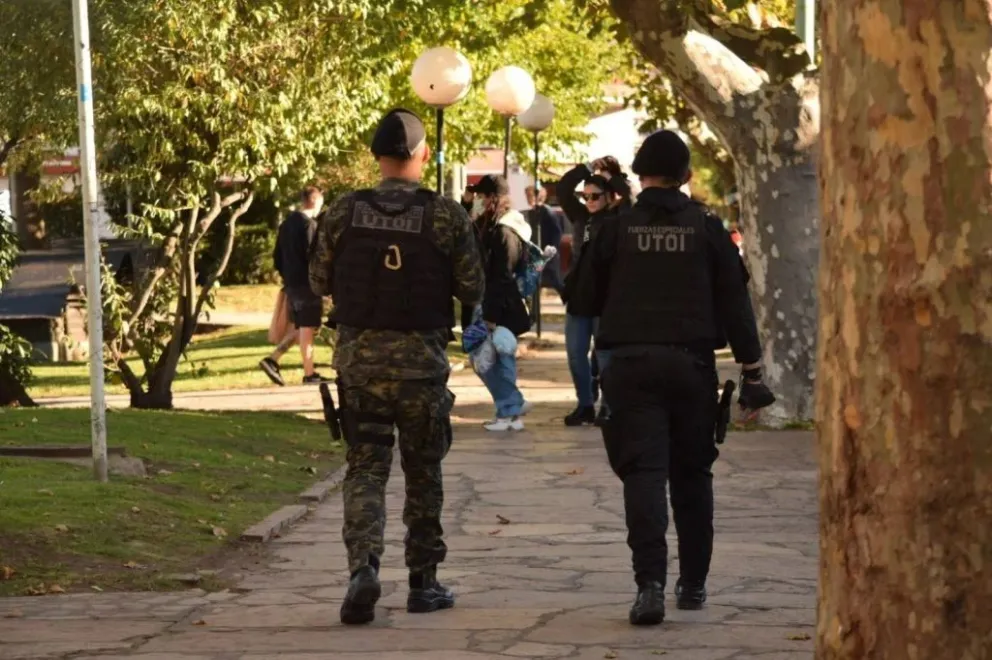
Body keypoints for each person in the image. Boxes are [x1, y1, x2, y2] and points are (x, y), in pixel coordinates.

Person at [590, 130, 775, 626]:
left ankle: (648, 584)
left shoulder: (614, 226)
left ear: (638, 174)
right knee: (692, 476)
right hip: (691, 367)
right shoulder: (708, 227)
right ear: (688, 176)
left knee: (644, 476)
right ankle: (692, 585)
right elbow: (736, 304)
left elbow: (581, 298)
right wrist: (752, 371)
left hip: (629, 369)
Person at [308, 108, 485, 625]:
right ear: (423, 155)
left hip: (360, 367)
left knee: (365, 468)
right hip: (421, 369)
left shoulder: (343, 211)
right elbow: (472, 287)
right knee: (423, 471)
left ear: (376, 156)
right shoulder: (447, 214)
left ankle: (362, 568)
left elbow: (319, 280)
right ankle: (423, 583)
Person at [555, 157, 626, 427]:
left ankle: (608, 406)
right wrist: (586, 168)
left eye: (596, 196)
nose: (590, 201)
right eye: (586, 196)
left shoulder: (620, 218)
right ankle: (585, 404)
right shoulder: (581, 216)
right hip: (579, 297)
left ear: (608, 196)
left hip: (607, 298)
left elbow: (630, 196)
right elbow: (563, 189)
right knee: (575, 354)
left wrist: (612, 180)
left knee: (607, 356)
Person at [461, 175, 534, 432]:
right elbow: (466, 236)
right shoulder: (490, 225)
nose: (478, 200)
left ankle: (510, 407)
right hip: (489, 302)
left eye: (481, 196)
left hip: (496, 306)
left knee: (487, 360)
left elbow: (501, 276)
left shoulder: (505, 230)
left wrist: (490, 314)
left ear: (493, 198)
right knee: (493, 359)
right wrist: (465, 203)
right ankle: (510, 412)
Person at [260, 186, 326, 385]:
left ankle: (272, 360)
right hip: (308, 284)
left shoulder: (286, 224)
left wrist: (287, 276)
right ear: (314, 201)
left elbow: (277, 257)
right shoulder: (309, 225)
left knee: (305, 327)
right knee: (307, 328)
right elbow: (313, 257)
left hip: (292, 284)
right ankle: (309, 374)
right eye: (321, 203)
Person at [525, 184, 565, 299]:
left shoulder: (547, 212)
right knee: (535, 278)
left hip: (548, 252)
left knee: (554, 280)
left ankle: (567, 298)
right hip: (538, 252)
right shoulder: (533, 212)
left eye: (530, 196)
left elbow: (557, 232)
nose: (528, 199)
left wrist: (551, 249)